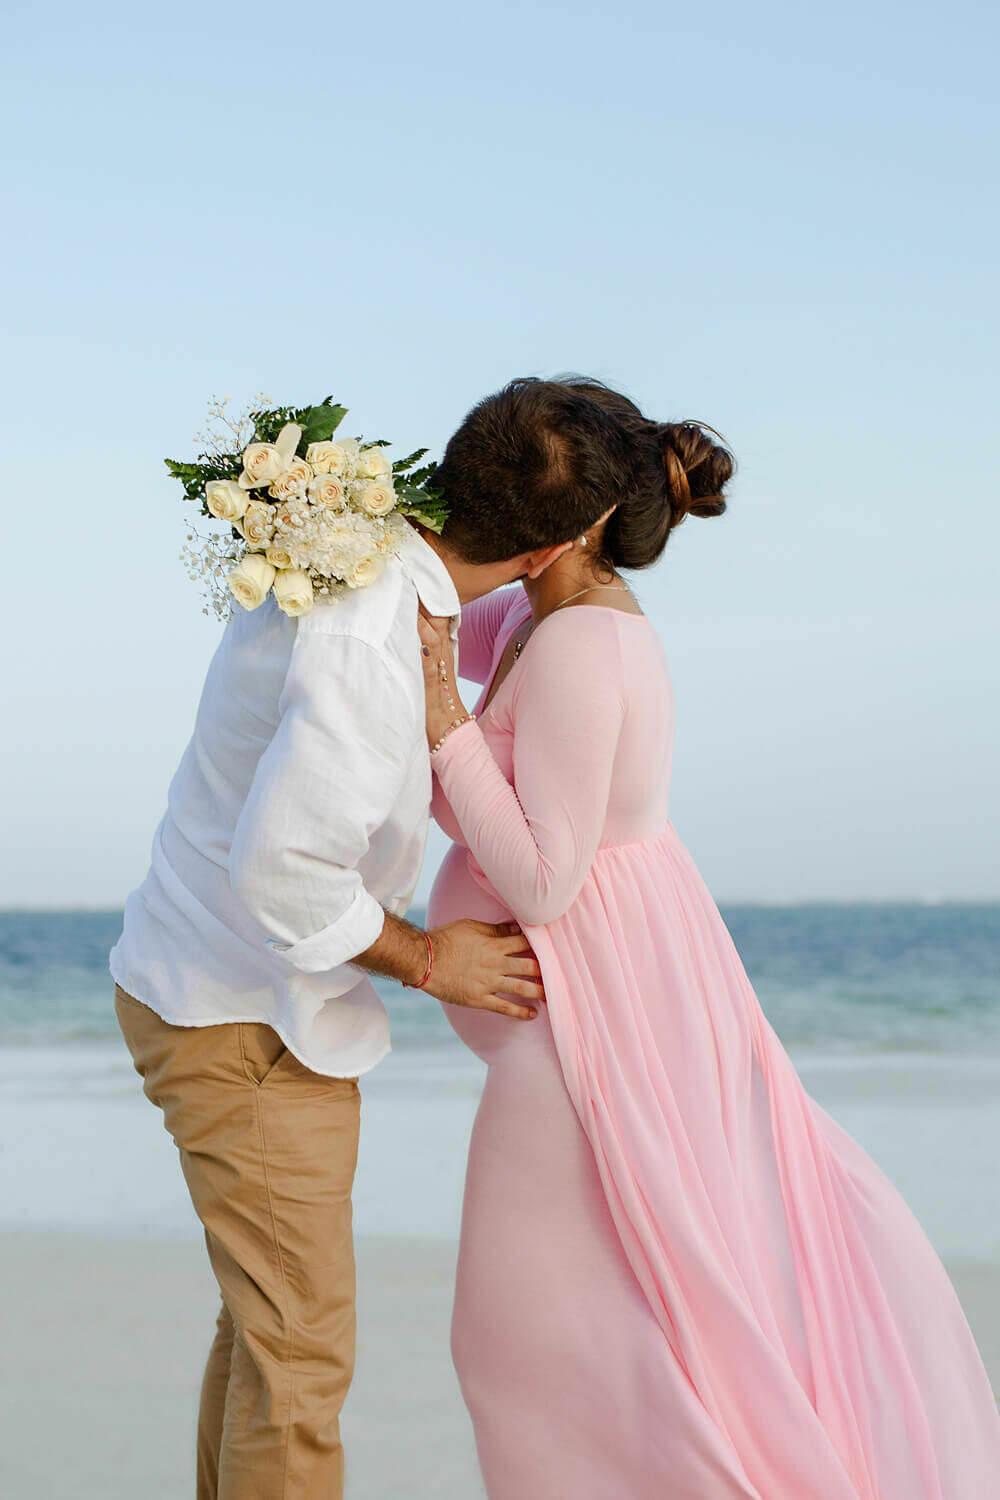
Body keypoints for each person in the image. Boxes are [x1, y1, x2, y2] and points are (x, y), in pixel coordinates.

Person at [418, 375, 1000, 1499]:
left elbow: (544, 879)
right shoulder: (541, 609)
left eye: (516, 526)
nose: (497, 545)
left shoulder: (585, 644)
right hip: (600, 990)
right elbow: (438, 610)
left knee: (533, 1333)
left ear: (577, 531)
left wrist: (447, 731)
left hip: (595, 1006)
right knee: (581, 1315)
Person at [108, 377, 649, 1500]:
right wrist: (424, 956)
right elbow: (283, 875)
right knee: (302, 1359)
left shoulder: (378, 546)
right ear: (553, 545)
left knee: (270, 1338)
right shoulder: (369, 638)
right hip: (243, 1012)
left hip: (205, 976)